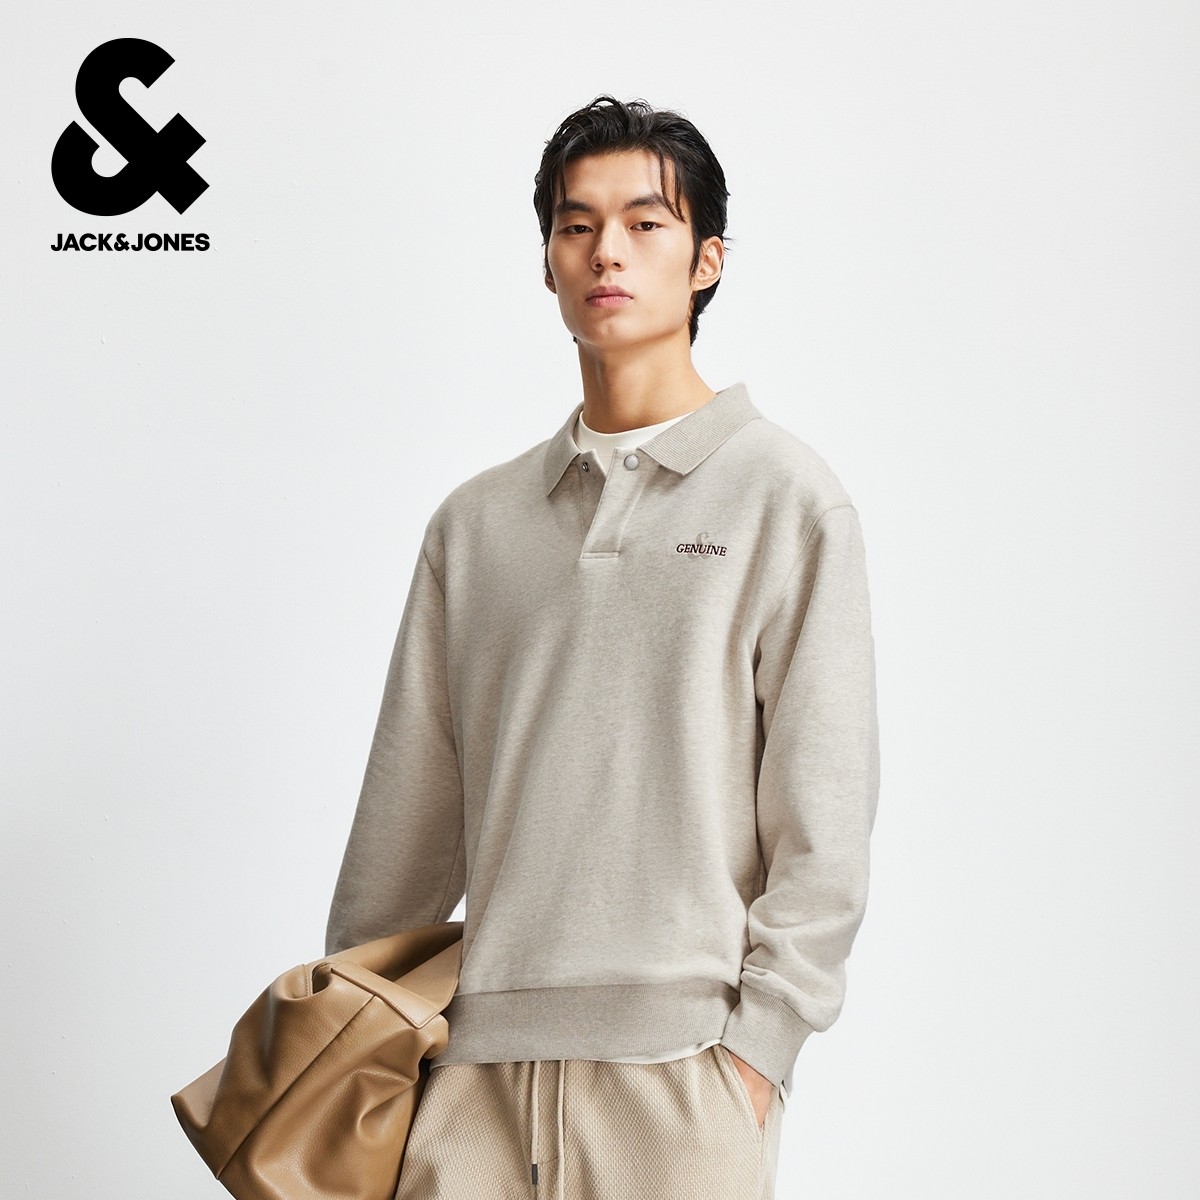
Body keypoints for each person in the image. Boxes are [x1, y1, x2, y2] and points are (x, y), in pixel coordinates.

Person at [324, 94, 880, 1200]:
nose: (605, 252)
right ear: (547, 263)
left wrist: (755, 1056)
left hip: (685, 1085)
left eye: (644, 223)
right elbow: (408, 818)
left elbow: (823, 817)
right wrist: (354, 1046)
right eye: (575, 226)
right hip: (467, 1082)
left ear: (707, 260)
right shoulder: (475, 525)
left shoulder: (785, 498)